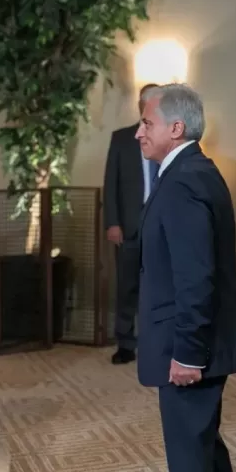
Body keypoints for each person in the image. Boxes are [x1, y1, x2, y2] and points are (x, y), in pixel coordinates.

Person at [134, 83, 236, 472]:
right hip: (197, 343)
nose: (138, 133)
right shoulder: (192, 171)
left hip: (189, 349)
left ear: (176, 128)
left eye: (147, 123)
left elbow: (195, 276)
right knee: (203, 450)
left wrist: (187, 353)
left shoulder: (184, 181)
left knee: (190, 460)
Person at [103, 82, 159, 365]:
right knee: (127, 286)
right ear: (140, 106)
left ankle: (157, 342)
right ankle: (125, 343)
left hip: (162, 225)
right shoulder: (122, 138)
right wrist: (112, 223)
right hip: (129, 226)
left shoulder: (170, 137)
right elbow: (110, 183)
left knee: (160, 286)